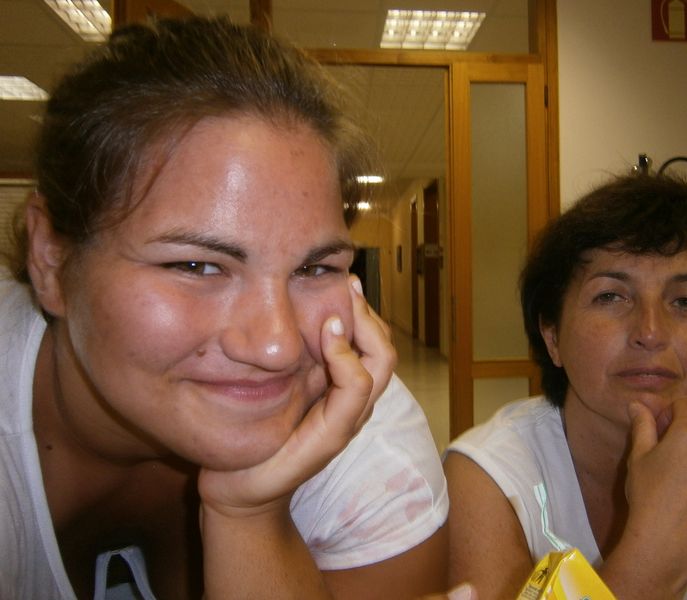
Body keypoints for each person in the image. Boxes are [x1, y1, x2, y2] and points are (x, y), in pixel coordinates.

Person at [0, 16, 451, 599]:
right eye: (196, 266)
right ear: (50, 259)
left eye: (314, 269)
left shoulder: (369, 442)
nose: (277, 347)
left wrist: (250, 515)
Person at [445, 174, 687, 599]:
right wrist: (659, 551)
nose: (650, 332)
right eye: (611, 297)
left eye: (686, 301)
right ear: (553, 335)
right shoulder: (489, 477)